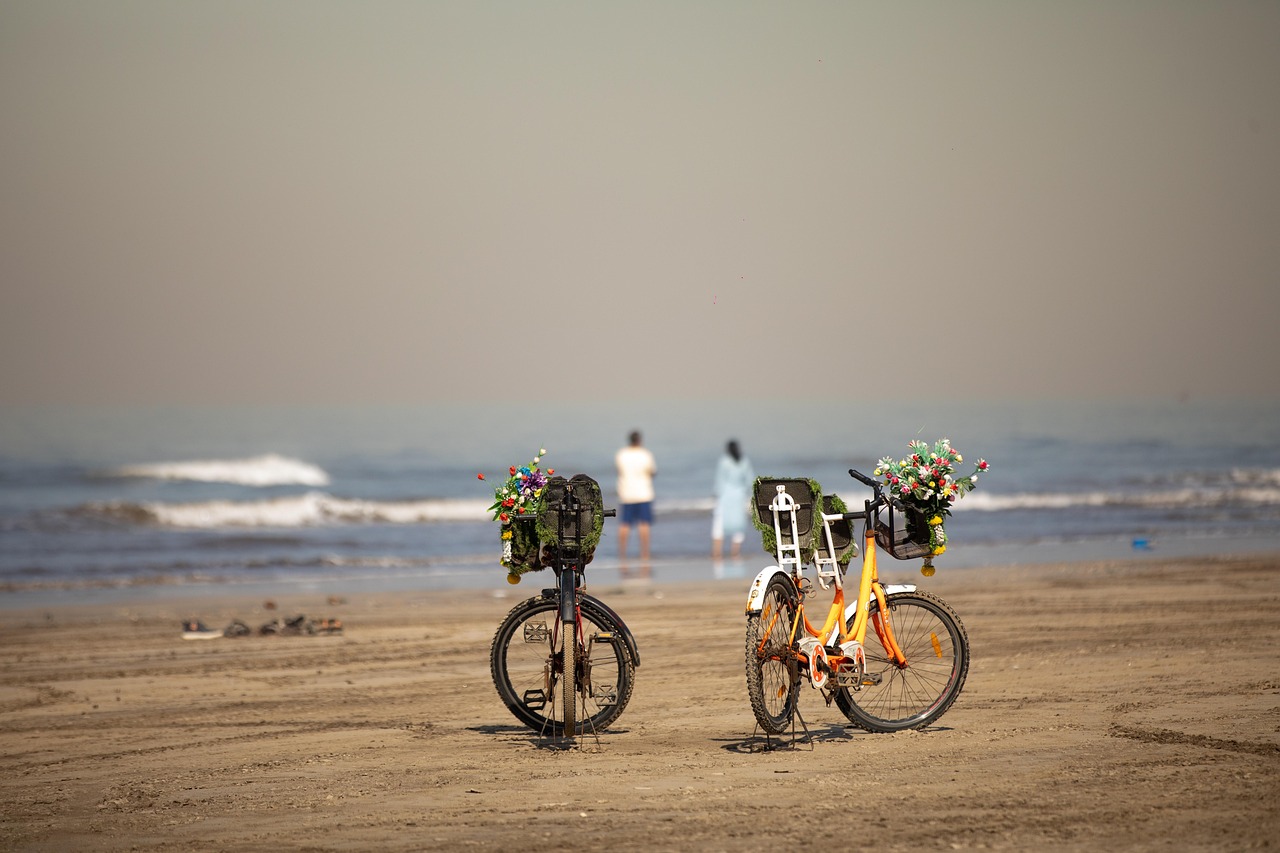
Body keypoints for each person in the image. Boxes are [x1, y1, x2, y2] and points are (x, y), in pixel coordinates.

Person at [615, 430, 656, 563]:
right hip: (643, 493)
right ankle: (645, 554)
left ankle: (622, 554)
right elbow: (652, 472)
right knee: (644, 524)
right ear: (640, 440)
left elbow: (619, 471)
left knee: (624, 524)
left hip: (626, 493)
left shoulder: (622, 454)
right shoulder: (645, 454)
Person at [712, 439, 755, 560]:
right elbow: (750, 480)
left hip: (725, 496)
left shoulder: (724, 461)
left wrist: (716, 494)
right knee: (738, 525)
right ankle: (735, 553)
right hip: (739, 496)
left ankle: (717, 553)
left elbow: (719, 480)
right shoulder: (744, 461)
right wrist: (750, 494)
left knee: (719, 524)